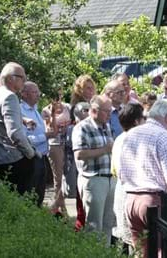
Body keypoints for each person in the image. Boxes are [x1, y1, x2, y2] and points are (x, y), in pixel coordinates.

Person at [119, 100, 167, 258]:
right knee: (164, 251)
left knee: (141, 253)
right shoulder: (165, 137)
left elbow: (122, 172)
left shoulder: (130, 134)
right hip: (153, 201)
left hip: (131, 200)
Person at [0, 62, 36, 195]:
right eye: (22, 77)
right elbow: (15, 133)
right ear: (11, 78)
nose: (25, 81)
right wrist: (30, 153)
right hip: (13, 160)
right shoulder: (9, 97)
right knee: (25, 201)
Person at [72, 95, 115, 245]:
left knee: (108, 224)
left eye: (110, 111)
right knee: (94, 225)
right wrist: (104, 149)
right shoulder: (82, 127)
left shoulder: (106, 126)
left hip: (110, 178)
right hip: (93, 178)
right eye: (106, 111)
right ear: (94, 110)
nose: (110, 114)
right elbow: (79, 154)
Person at [111, 103, 145, 254]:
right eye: (143, 118)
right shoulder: (134, 140)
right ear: (137, 121)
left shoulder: (119, 138)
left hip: (122, 189)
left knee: (128, 237)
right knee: (133, 240)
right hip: (130, 192)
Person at [69, 75, 97, 232]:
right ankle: (80, 225)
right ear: (80, 90)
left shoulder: (95, 103)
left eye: (92, 87)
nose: (91, 90)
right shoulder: (78, 106)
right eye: (87, 87)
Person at [20, 81, 50, 207]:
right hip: (30, 158)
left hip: (42, 156)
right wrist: (46, 136)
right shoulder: (21, 111)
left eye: (38, 92)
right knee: (31, 192)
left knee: (40, 192)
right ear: (25, 94)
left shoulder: (35, 110)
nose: (38, 95)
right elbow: (25, 139)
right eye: (35, 92)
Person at [42, 93, 72, 216]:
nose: (57, 100)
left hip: (68, 142)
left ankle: (59, 205)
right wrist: (53, 113)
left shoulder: (67, 107)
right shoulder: (46, 111)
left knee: (68, 174)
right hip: (55, 144)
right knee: (58, 176)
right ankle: (58, 207)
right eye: (54, 98)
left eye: (59, 96)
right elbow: (50, 129)